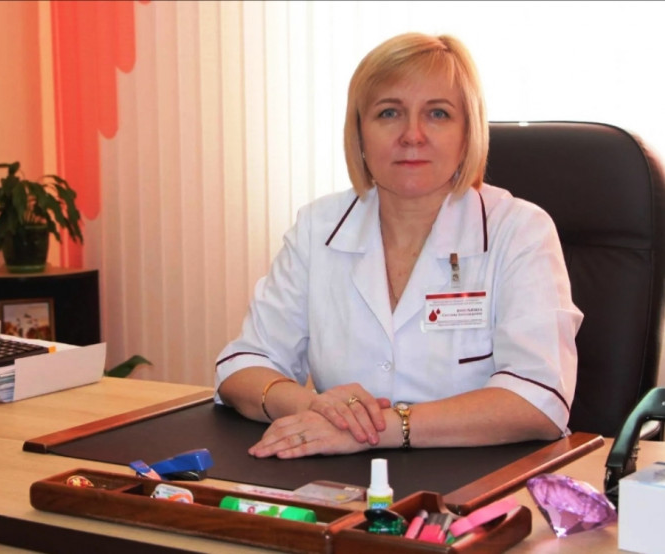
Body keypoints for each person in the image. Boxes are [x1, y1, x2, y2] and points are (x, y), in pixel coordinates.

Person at [214, 32, 583, 459]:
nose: (412, 135)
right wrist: (316, 408)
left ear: (468, 133)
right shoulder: (318, 227)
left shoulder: (519, 231)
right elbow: (243, 365)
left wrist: (380, 429)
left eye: (438, 114)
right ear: (359, 133)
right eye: (389, 113)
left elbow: (538, 398)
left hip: (481, 479)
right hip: (343, 475)